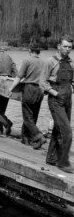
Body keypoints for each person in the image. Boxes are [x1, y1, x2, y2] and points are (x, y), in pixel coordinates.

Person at [41, 35, 74, 173]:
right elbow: (42, 82)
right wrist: (55, 93)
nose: (67, 49)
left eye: (69, 47)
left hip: (68, 98)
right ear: (59, 46)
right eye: (65, 46)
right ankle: (63, 162)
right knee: (66, 131)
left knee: (58, 128)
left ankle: (51, 158)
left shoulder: (71, 62)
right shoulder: (50, 61)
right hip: (56, 99)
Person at [8, 43, 45, 148]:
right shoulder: (44, 62)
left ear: (30, 50)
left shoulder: (27, 60)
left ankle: (38, 135)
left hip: (29, 89)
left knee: (27, 116)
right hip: (40, 90)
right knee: (33, 115)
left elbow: (19, 77)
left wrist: (11, 89)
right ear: (39, 51)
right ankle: (26, 138)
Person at [0, 44, 18, 135]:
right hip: (9, 83)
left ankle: (7, 123)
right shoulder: (9, 57)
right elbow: (15, 70)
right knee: (1, 108)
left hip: (0, 81)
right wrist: (12, 81)